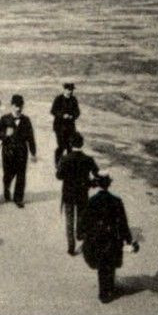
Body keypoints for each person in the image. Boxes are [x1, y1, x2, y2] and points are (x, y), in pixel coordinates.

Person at [78, 174, 137, 303]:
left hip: (97, 237)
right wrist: (128, 239)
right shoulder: (116, 200)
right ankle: (110, 287)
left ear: (98, 184)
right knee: (110, 263)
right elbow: (123, 222)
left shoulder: (92, 200)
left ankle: (103, 293)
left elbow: (84, 220)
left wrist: (81, 233)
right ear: (109, 184)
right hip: (113, 238)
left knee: (101, 264)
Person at [56, 132, 101, 256]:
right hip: (82, 193)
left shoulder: (65, 159)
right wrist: (91, 183)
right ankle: (80, 234)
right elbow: (97, 174)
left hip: (68, 194)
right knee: (81, 217)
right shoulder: (88, 159)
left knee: (69, 220)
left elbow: (59, 176)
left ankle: (71, 247)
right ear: (82, 144)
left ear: (71, 144)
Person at [0, 94, 37, 207]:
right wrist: (4, 134)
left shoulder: (26, 120)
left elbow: (30, 137)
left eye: (21, 106)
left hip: (22, 152)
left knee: (21, 175)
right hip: (8, 151)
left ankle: (18, 199)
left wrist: (33, 153)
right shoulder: (4, 119)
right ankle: (6, 188)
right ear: (11, 106)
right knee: (8, 174)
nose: (19, 109)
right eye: (16, 106)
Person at [51, 82, 81, 162]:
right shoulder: (58, 99)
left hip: (70, 127)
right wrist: (62, 115)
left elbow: (78, 112)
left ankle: (69, 166)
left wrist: (72, 116)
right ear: (64, 90)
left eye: (72, 90)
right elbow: (53, 111)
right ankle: (57, 164)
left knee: (69, 147)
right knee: (61, 146)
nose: (70, 91)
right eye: (69, 89)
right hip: (59, 127)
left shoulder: (74, 99)